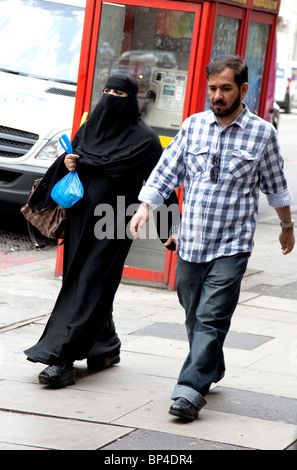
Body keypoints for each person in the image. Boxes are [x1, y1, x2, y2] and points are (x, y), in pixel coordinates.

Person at [130, 55, 295, 421]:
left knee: (211, 316)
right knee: (192, 310)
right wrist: (145, 207)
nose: (217, 95)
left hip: (232, 244)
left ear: (243, 89)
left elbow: (276, 187)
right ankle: (212, 365)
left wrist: (287, 226)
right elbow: (166, 171)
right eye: (212, 88)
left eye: (225, 88)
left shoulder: (262, 134)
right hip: (191, 240)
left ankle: (189, 391)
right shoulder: (193, 127)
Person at [24, 73, 177, 388]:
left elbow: (161, 183)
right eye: (106, 90)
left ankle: (61, 358)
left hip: (114, 221)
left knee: (90, 283)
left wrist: (169, 229)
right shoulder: (89, 129)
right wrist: (67, 162)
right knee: (86, 284)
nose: (110, 98)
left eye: (118, 93)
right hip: (81, 220)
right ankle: (105, 346)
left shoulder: (144, 140)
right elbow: (70, 160)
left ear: (132, 99)